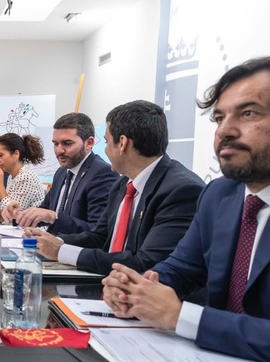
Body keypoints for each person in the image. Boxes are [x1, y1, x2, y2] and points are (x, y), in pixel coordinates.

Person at [103, 57, 270, 362]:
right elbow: (181, 268)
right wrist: (139, 288)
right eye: (219, 118)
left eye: (248, 113)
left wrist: (182, 317)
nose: (226, 131)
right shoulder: (220, 194)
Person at [26, 100, 204, 276]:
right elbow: (100, 237)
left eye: (106, 142)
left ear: (123, 143)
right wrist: (53, 242)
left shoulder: (181, 191)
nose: (104, 151)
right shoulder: (123, 183)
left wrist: (62, 252)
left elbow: (147, 263)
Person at [3, 113, 118, 235]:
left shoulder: (102, 174)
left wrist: (54, 217)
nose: (59, 150)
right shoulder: (61, 172)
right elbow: (44, 212)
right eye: (56, 144)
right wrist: (20, 214)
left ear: (89, 143)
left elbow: (98, 233)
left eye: (67, 143)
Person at [0, 133, 45, 216]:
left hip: (30, 228)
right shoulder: (12, 176)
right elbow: (7, 206)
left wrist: (0, 186)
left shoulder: (25, 177)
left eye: (0, 155)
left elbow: (13, 214)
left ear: (16, 154)